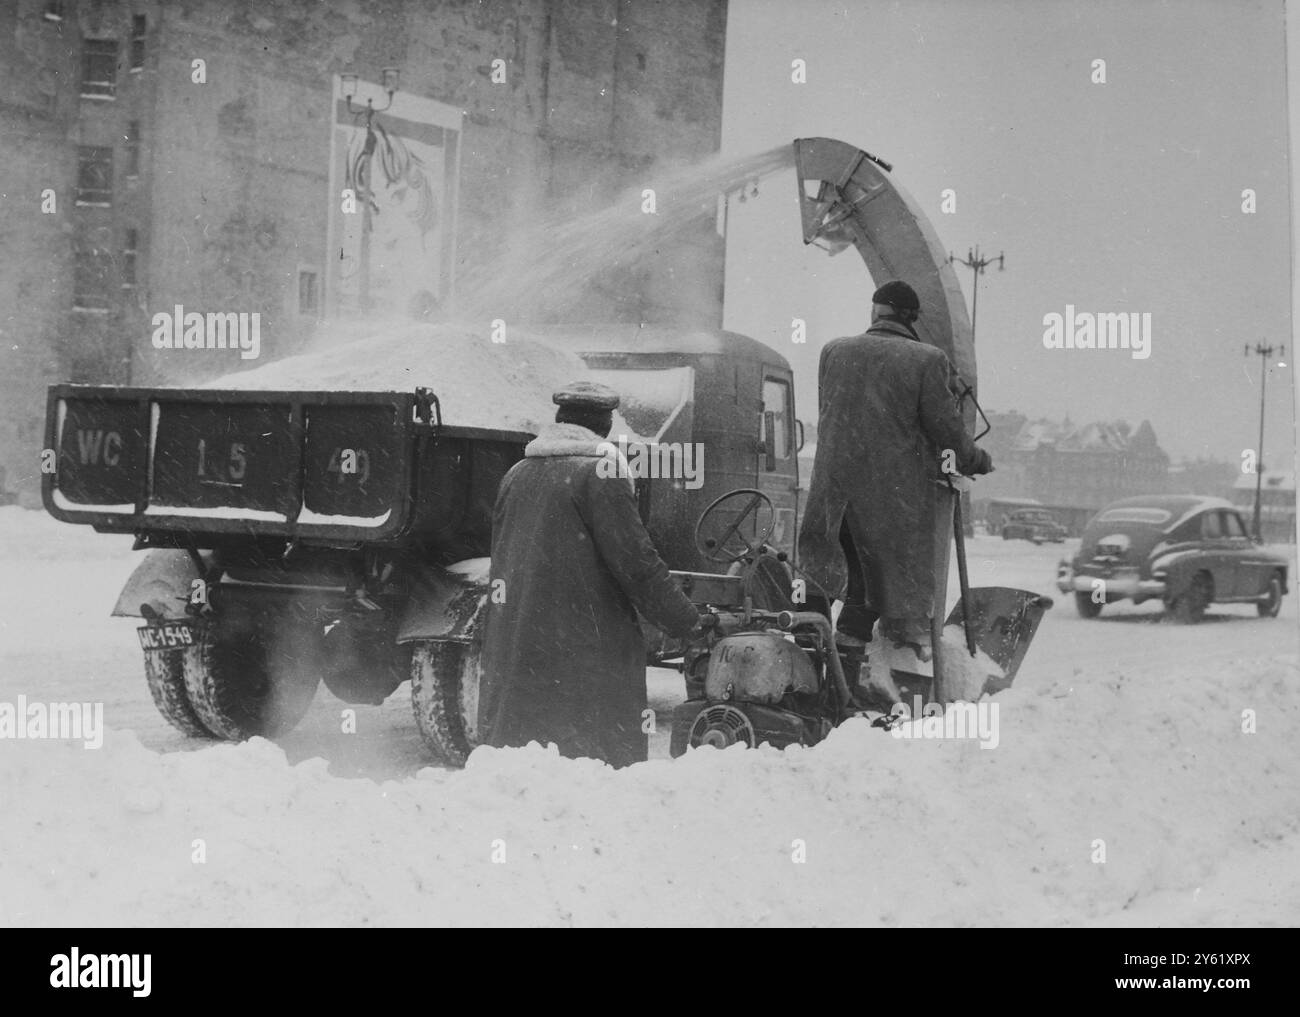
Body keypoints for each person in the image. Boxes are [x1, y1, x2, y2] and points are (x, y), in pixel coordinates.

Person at [477, 380, 703, 767]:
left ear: (560, 421)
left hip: (522, 641)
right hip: (584, 642)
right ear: (606, 426)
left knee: (525, 762)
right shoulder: (601, 473)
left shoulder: (517, 473)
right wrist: (687, 620)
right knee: (592, 762)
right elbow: (637, 564)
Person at [798, 280, 992, 685]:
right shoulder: (927, 360)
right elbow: (946, 432)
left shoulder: (834, 351)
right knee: (870, 590)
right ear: (912, 318)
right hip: (884, 500)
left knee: (819, 579)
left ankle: (801, 678)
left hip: (830, 493)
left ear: (875, 311)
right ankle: (842, 688)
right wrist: (976, 459)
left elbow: (836, 413)